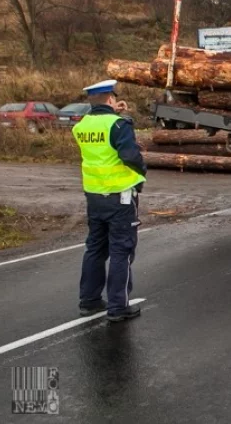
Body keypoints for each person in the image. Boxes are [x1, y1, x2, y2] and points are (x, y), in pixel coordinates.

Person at [72, 80, 147, 322]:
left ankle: (90, 300)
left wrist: (114, 112)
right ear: (111, 99)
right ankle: (118, 307)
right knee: (121, 251)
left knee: (95, 248)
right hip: (119, 197)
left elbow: (101, 134)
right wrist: (142, 171)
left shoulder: (81, 126)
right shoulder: (119, 124)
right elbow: (129, 155)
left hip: (94, 195)